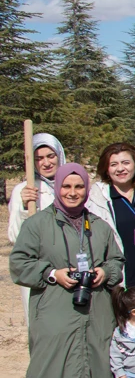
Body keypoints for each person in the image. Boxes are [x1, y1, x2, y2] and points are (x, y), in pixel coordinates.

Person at [7, 163, 125, 378]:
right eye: (66, 187)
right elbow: (19, 264)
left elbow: (116, 260)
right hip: (55, 307)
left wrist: (103, 272)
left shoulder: (98, 225)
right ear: (57, 188)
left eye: (79, 187)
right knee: (50, 366)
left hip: (96, 310)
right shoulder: (38, 224)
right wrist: (52, 274)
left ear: (87, 190)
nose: (72, 193)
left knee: (97, 362)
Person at [8, 133, 66, 321]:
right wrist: (24, 208)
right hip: (40, 267)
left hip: (70, 265)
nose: (46, 163)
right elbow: (14, 236)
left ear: (59, 155)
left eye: (51, 156)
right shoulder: (24, 190)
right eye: (39, 158)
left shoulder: (73, 185)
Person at [87, 143, 135, 287]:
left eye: (126, 163)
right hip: (121, 275)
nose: (120, 169)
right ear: (106, 169)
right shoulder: (96, 199)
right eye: (113, 164)